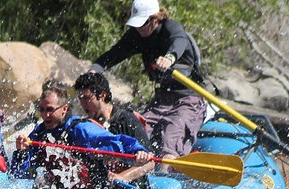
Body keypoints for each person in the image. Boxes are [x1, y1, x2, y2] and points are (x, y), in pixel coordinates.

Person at [5, 82, 149, 189]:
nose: (45, 115)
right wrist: (21, 151)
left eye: (51, 109)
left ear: (64, 109)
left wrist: (137, 151)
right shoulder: (39, 134)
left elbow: (115, 141)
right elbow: (20, 174)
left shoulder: (80, 130)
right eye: (42, 110)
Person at [88, 0, 207, 160]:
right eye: (137, 24)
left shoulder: (171, 28)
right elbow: (114, 54)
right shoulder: (136, 36)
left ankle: (167, 177)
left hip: (190, 98)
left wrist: (169, 58)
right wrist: (95, 69)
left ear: (155, 18)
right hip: (163, 98)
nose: (139, 28)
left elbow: (179, 41)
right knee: (139, 131)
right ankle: (132, 174)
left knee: (170, 138)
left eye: (143, 23)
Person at [74, 72, 154, 189]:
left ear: (102, 95)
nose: (83, 104)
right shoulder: (87, 128)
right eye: (80, 98)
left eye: (87, 98)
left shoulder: (127, 120)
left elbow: (150, 162)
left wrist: (122, 177)